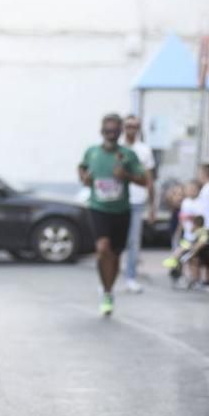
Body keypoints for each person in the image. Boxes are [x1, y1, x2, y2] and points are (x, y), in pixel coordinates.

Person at [78, 113, 146, 316]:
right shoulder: (92, 152)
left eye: (115, 132)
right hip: (98, 208)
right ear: (102, 132)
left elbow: (143, 180)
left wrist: (126, 175)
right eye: (108, 131)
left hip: (121, 210)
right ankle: (105, 291)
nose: (111, 135)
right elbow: (82, 168)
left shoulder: (128, 154)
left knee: (115, 255)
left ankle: (109, 289)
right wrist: (84, 177)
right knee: (102, 249)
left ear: (120, 133)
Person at [121, 115, 156, 293]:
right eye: (128, 126)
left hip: (137, 200)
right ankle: (109, 278)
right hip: (117, 202)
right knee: (115, 241)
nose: (131, 129)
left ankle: (130, 277)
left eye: (135, 126)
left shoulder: (144, 150)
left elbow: (150, 179)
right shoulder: (116, 147)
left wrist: (152, 206)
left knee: (134, 241)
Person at [162, 213, 209, 288]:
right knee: (183, 255)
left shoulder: (201, 232)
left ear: (196, 224)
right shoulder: (199, 231)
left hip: (199, 252)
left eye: (193, 224)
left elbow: (201, 243)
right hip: (195, 251)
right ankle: (185, 276)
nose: (192, 226)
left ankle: (193, 280)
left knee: (189, 260)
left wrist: (193, 251)